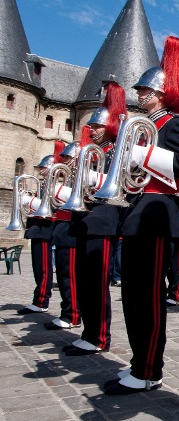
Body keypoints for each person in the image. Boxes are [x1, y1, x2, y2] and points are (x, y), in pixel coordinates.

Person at [103, 36, 179, 395]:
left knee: (148, 297)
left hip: (159, 214)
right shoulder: (142, 127)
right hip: (137, 213)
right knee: (132, 296)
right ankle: (138, 363)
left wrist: (142, 157)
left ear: (161, 93)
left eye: (146, 90)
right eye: (140, 89)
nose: (140, 94)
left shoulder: (172, 124)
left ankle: (149, 368)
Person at [66, 84, 126, 356]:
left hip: (103, 220)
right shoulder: (93, 152)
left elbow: (118, 183)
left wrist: (88, 178)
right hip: (86, 218)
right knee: (84, 279)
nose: (93, 130)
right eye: (91, 127)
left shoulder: (114, 150)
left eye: (99, 126)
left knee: (96, 282)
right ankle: (89, 331)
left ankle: (99, 335)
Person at [17, 146, 61, 315]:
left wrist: (31, 202)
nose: (41, 170)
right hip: (37, 227)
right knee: (38, 266)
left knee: (43, 267)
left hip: (45, 228)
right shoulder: (42, 185)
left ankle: (42, 300)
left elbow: (53, 206)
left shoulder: (54, 185)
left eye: (44, 168)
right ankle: (39, 298)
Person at [46, 141, 82, 330]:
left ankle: (73, 314)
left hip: (71, 226)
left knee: (70, 275)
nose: (65, 161)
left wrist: (57, 192)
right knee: (62, 274)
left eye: (68, 158)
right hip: (62, 225)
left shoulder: (81, 175)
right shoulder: (68, 177)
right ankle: (67, 311)